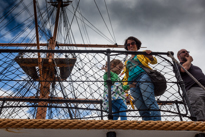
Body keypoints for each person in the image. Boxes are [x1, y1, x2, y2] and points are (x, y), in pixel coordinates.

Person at [122, 36, 161, 121]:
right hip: (132, 82)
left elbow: (154, 61)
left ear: (137, 44)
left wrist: (150, 56)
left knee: (148, 99)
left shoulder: (142, 53)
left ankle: (157, 122)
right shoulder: (126, 61)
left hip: (143, 76)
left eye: (133, 43)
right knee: (139, 104)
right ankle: (147, 123)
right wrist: (124, 88)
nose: (130, 45)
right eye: (128, 44)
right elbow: (126, 75)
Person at [177, 49, 205, 121]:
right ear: (178, 56)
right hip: (193, 89)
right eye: (183, 52)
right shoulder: (178, 65)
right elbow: (184, 69)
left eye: (187, 52)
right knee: (198, 108)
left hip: (203, 88)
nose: (186, 52)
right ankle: (200, 127)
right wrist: (189, 61)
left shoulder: (196, 67)